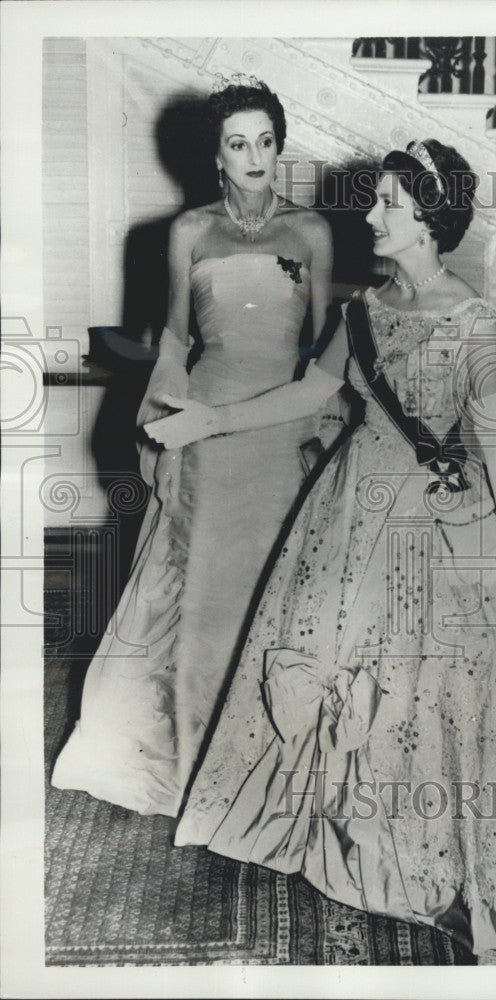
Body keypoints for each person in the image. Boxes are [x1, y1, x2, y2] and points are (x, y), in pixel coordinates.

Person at [147, 139, 496, 961]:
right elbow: (315, 389)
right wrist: (210, 420)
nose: (372, 214)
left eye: (391, 205)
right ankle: (324, 833)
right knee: (320, 657)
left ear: (430, 222)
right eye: (376, 202)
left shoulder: (474, 321)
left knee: (414, 689)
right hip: (345, 512)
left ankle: (415, 862)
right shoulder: (363, 309)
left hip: (435, 528)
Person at [51, 75, 334, 817]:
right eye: (238, 144)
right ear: (215, 156)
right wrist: (169, 404)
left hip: (277, 426)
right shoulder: (188, 233)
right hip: (203, 414)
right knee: (202, 588)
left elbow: (320, 346)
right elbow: (175, 336)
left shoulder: (310, 232)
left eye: (266, 142)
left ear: (279, 148)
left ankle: (270, 760)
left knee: (270, 590)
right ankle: (198, 755)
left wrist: (312, 429)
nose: (254, 157)